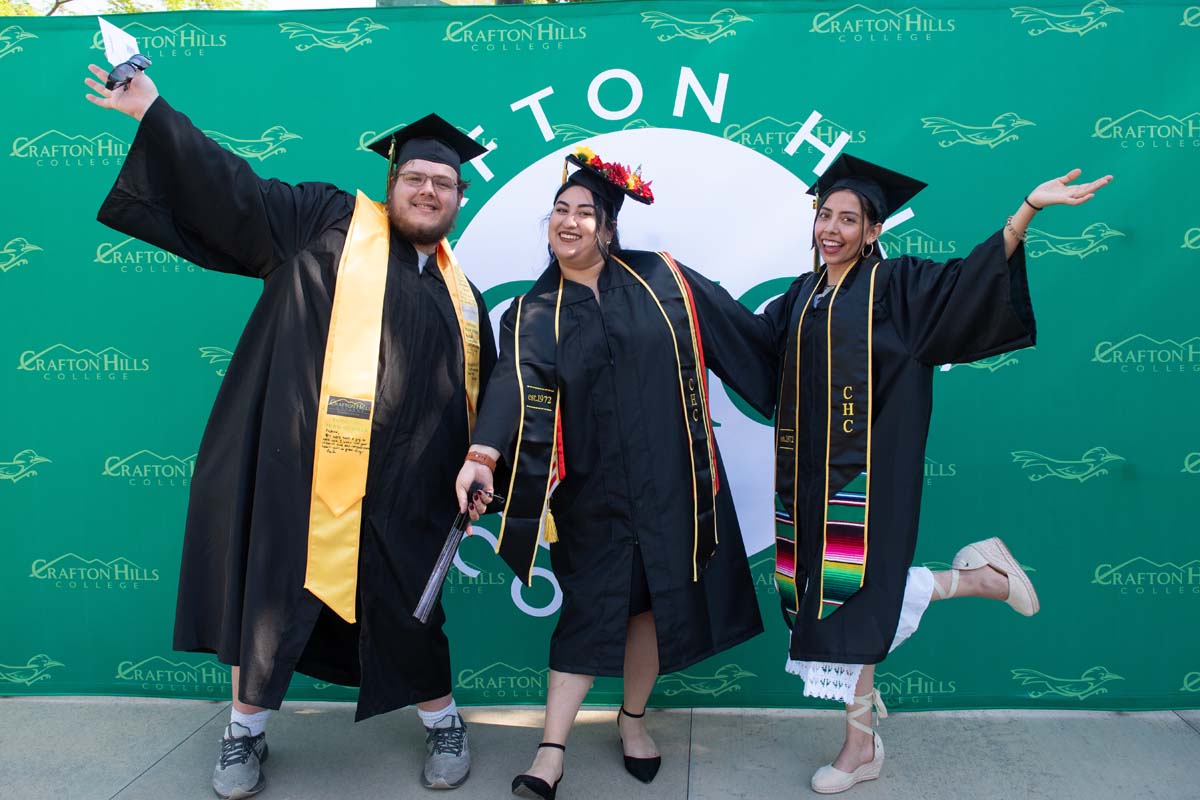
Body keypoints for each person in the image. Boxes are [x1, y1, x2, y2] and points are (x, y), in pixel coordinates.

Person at [84, 63, 497, 797]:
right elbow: (237, 191)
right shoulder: (325, 220)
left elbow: (489, 395)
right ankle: (243, 735)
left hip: (410, 487)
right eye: (415, 178)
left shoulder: (464, 297)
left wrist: (482, 462)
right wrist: (153, 113)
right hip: (300, 470)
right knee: (271, 601)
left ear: (460, 198)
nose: (429, 191)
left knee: (412, 610)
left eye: (444, 183)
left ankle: (444, 723)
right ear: (391, 184)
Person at [749, 153, 1112, 794]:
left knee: (857, 601)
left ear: (872, 230)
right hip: (808, 479)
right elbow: (749, 344)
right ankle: (981, 579)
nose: (832, 229)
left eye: (849, 219)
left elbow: (969, 283)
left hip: (872, 479)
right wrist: (681, 298)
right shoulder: (801, 297)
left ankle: (860, 746)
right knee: (833, 600)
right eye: (825, 215)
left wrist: (1026, 211)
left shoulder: (898, 286)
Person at [454, 147, 776, 800]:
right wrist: (481, 455)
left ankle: (632, 720)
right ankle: (550, 752)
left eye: (585, 211)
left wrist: (826, 334)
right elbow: (509, 390)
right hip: (590, 492)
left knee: (653, 607)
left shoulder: (666, 280)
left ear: (608, 225)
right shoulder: (532, 313)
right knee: (588, 612)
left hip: (674, 483)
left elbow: (743, 334)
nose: (569, 221)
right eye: (560, 210)